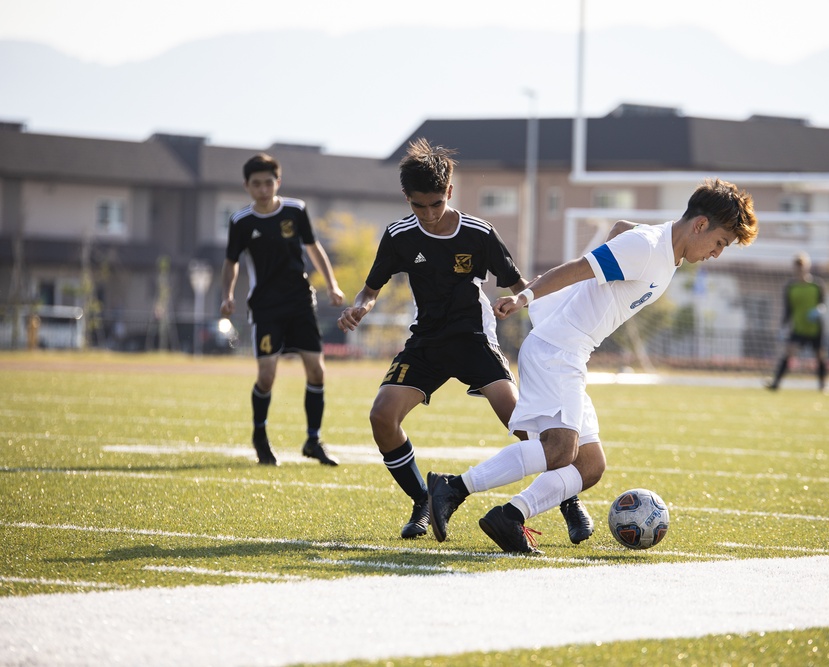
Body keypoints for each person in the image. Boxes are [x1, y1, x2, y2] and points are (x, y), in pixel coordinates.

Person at [426, 178, 759, 553]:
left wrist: (618, 239)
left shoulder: (662, 248)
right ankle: (452, 487)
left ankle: (510, 517)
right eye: (720, 243)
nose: (717, 253)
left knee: (590, 466)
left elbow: (619, 231)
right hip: (557, 349)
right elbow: (576, 269)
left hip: (572, 354)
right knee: (558, 451)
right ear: (700, 225)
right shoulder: (647, 248)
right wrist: (524, 296)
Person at [337, 138, 594, 542]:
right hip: (427, 343)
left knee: (528, 430)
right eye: (418, 206)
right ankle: (424, 500)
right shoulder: (399, 236)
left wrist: (520, 302)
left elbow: (519, 285)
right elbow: (370, 289)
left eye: (436, 204)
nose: (428, 214)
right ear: (406, 199)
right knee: (382, 417)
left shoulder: (478, 233)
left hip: (475, 340)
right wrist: (360, 307)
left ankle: (567, 501)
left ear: (450, 192)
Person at [220, 153, 345, 466]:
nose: (263, 189)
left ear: (278, 182)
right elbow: (231, 262)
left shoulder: (295, 210)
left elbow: (313, 248)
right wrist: (227, 294)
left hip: (300, 302)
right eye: (256, 184)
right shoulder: (242, 222)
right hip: (266, 307)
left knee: (317, 371)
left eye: (268, 182)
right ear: (247, 186)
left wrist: (332, 284)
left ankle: (313, 440)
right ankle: (260, 436)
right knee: (267, 375)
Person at [764, 251, 828, 392]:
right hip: (798, 328)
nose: (800, 269)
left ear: (807, 267)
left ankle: (823, 386)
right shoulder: (791, 287)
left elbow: (823, 305)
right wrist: (783, 327)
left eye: (802, 266)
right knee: (788, 354)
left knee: (820, 357)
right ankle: (775, 383)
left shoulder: (817, 285)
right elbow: (788, 310)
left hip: (815, 329)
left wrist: (819, 310)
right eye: (797, 266)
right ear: (794, 268)